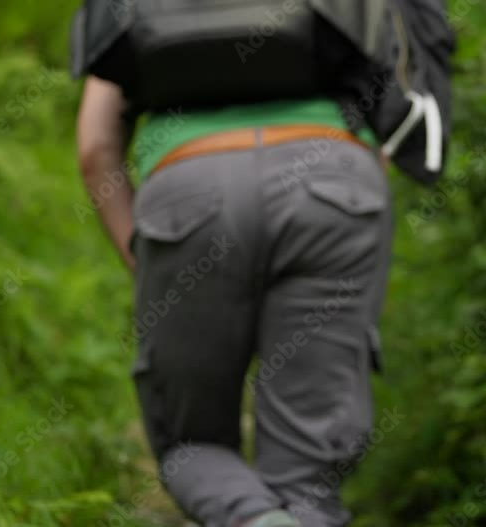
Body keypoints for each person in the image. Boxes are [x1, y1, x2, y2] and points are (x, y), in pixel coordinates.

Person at [76, 75, 392, 527]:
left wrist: (147, 260)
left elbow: (95, 149)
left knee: (191, 447)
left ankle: (255, 519)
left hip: (187, 184)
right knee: (308, 479)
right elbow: (395, 104)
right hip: (335, 180)